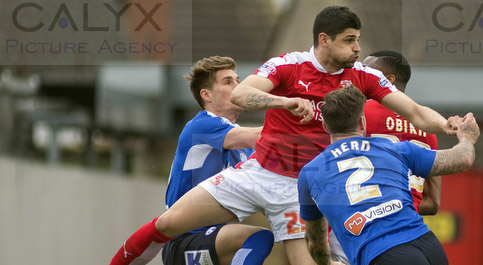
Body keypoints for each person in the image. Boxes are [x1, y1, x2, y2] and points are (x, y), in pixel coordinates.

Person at [109, 6, 461, 265]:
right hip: (258, 172)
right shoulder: (288, 65)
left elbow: (414, 111)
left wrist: (447, 126)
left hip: (299, 188)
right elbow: (241, 95)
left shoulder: (364, 76)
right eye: (349, 41)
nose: (357, 49)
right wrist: (285, 101)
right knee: (169, 222)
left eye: (358, 40)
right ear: (324, 40)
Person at [112, 56, 274, 265]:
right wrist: (297, 119)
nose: (238, 86)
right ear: (206, 95)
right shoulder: (202, 125)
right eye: (228, 82)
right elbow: (261, 136)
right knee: (258, 238)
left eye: (238, 80)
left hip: (215, 238)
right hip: (185, 240)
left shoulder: (243, 145)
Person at [298, 86, 479, 265]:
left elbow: (315, 241)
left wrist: (327, 262)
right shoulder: (395, 148)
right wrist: (467, 136)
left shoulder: (309, 173)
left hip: (382, 253)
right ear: (362, 122)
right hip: (428, 245)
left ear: (325, 126)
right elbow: (462, 158)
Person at [327, 50, 442, 264]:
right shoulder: (429, 130)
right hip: (409, 230)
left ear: (388, 80)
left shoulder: (359, 115)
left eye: (367, 71)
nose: (359, 76)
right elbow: (432, 203)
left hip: (356, 227)